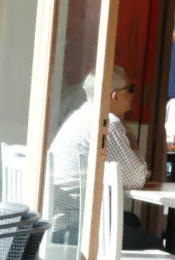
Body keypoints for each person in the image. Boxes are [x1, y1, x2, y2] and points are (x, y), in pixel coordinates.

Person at [47, 67, 157, 250]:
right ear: (115, 96)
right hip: (75, 224)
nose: (133, 95)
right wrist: (134, 143)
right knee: (155, 245)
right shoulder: (107, 123)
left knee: (132, 220)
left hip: (55, 220)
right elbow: (136, 179)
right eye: (131, 89)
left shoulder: (78, 115)